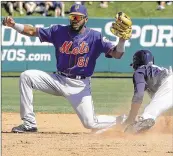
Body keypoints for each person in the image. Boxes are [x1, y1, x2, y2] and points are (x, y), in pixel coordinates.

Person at [2, 4, 132, 133]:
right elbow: (31, 31)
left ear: (85, 19)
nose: (75, 20)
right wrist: (14, 25)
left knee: (90, 123)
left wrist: (122, 41)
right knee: (27, 76)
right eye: (72, 17)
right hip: (59, 79)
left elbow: (117, 54)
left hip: (79, 85)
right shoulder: (58, 31)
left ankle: (125, 120)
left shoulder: (95, 37)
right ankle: (29, 124)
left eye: (78, 17)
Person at [123, 50, 173, 134]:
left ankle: (131, 132)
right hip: (169, 82)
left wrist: (132, 116)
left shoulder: (140, 71)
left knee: (148, 113)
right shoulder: (157, 70)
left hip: (169, 84)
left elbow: (139, 94)